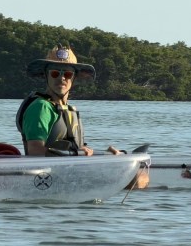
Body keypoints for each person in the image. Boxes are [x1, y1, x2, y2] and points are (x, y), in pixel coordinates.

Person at [16, 42, 150, 188]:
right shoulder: (41, 107)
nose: (61, 78)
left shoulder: (67, 109)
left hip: (71, 172)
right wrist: (78, 154)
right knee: (136, 178)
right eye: (55, 73)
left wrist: (107, 156)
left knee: (139, 175)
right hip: (48, 178)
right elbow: (35, 151)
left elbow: (75, 147)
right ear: (46, 76)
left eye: (67, 74)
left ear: (74, 78)